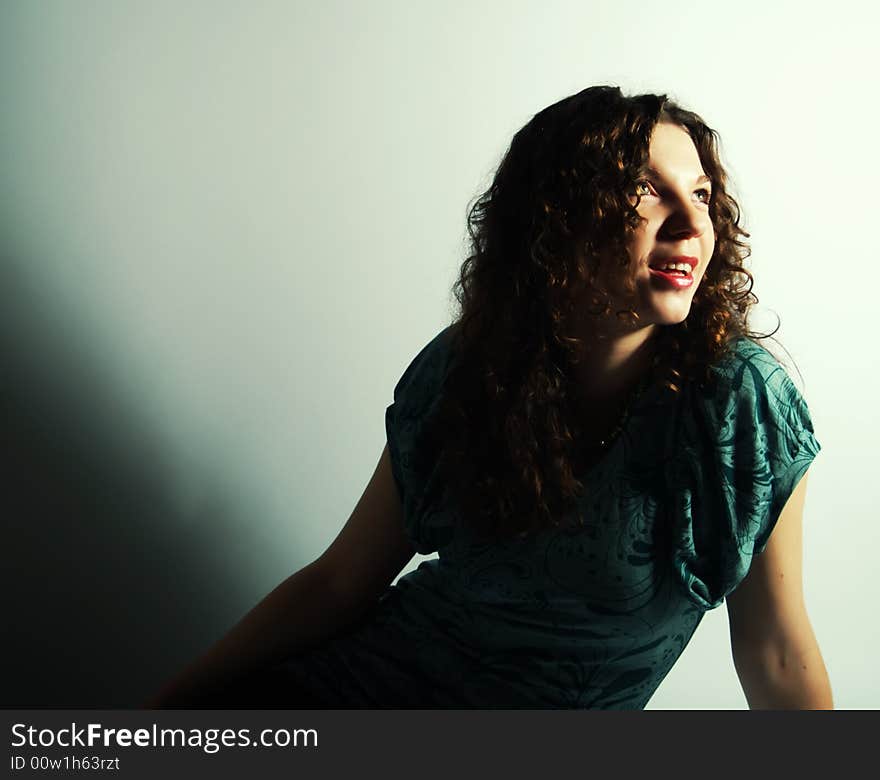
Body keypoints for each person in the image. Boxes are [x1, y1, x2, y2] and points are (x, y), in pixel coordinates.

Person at [146, 85, 832, 710]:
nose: (690, 225)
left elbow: (775, 651)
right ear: (559, 217)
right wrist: (162, 714)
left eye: (702, 195)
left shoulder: (741, 402)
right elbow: (339, 583)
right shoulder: (471, 367)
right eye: (645, 191)